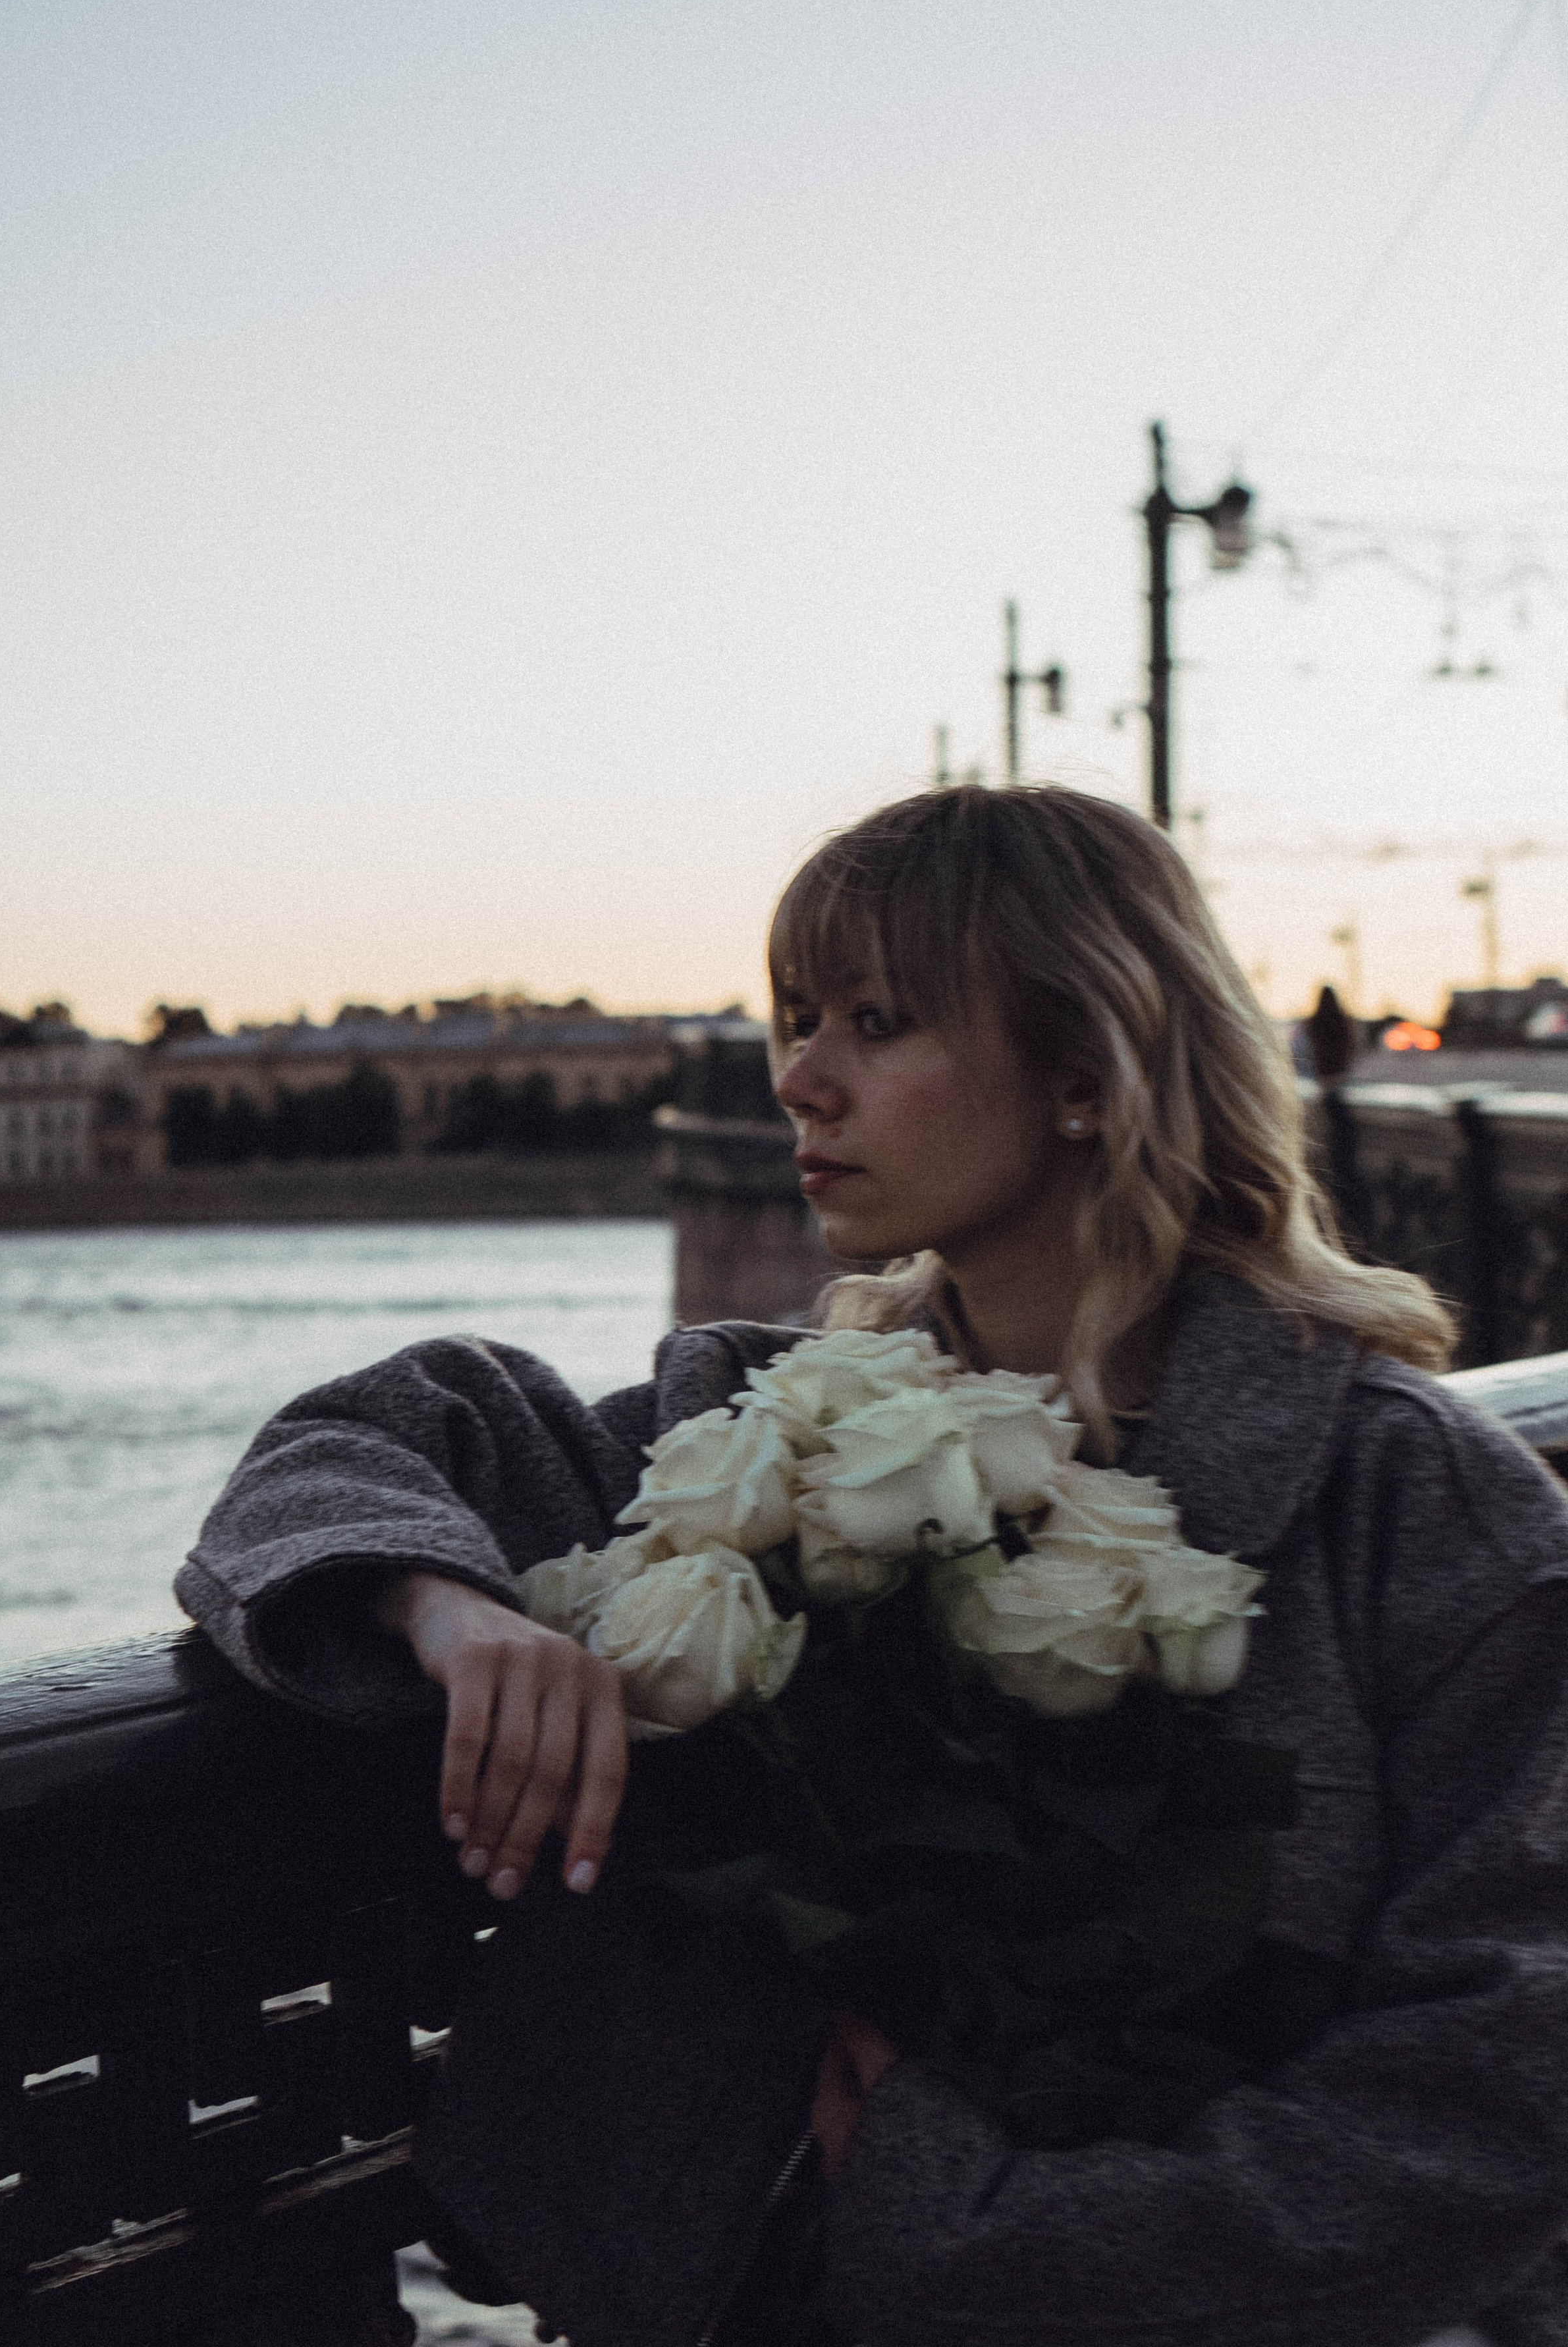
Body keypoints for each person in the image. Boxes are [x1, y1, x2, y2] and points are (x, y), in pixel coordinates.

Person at [178, 786, 1568, 2347]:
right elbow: (340, 1450)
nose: (796, 1077)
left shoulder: (1407, 1500)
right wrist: (444, 1609)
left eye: (875, 1021)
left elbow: (1509, 2076)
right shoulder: (754, 1417)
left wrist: (982, 2226)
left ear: (1086, 1072)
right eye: (793, 1017)